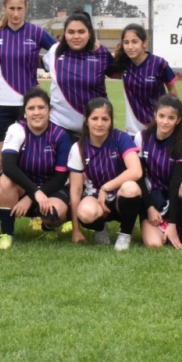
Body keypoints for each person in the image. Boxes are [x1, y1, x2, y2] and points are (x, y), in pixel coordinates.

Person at [0, 0, 58, 230]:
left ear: (26, 8)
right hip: (1, 105)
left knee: (32, 162)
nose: (15, 13)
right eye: (11, 8)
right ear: (4, 8)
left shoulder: (36, 33)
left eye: (20, 8)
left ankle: (36, 214)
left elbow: (59, 51)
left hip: (29, 107)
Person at [0, 87, 73, 249]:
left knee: (54, 214)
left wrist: (32, 197)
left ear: (49, 111)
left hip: (51, 189)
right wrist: (33, 192)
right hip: (25, 188)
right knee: (4, 181)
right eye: (31, 108)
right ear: (24, 112)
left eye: (41, 107)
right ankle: (7, 234)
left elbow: (61, 177)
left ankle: (49, 227)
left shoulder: (60, 135)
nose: (36, 112)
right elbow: (8, 166)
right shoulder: (17, 130)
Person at [68, 98, 144, 250]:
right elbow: (75, 191)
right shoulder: (78, 148)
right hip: (95, 197)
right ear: (86, 120)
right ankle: (100, 228)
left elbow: (136, 171)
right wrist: (76, 230)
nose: (99, 123)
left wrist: (106, 188)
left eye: (105, 119)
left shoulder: (121, 138)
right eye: (94, 118)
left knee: (131, 188)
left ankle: (125, 234)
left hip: (120, 196)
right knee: (85, 213)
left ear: (111, 121)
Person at [136, 95, 182, 249]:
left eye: (171, 118)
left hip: (173, 194)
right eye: (161, 116)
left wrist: (172, 222)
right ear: (155, 115)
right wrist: (149, 207)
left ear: (178, 120)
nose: (165, 121)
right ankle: (159, 225)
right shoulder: (142, 137)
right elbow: (139, 176)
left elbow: (176, 183)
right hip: (151, 196)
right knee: (154, 245)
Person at [43, 9, 114, 138]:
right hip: (59, 128)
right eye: (71, 32)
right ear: (64, 34)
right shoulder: (54, 52)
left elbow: (120, 74)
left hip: (95, 130)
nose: (76, 36)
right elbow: (34, 63)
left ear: (90, 33)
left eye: (81, 32)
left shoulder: (101, 53)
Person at [108, 23, 178, 135]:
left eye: (134, 42)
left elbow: (173, 92)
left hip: (157, 130)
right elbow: (106, 66)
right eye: (126, 42)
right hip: (132, 132)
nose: (130, 47)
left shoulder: (159, 64)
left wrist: (169, 117)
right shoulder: (123, 64)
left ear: (144, 42)